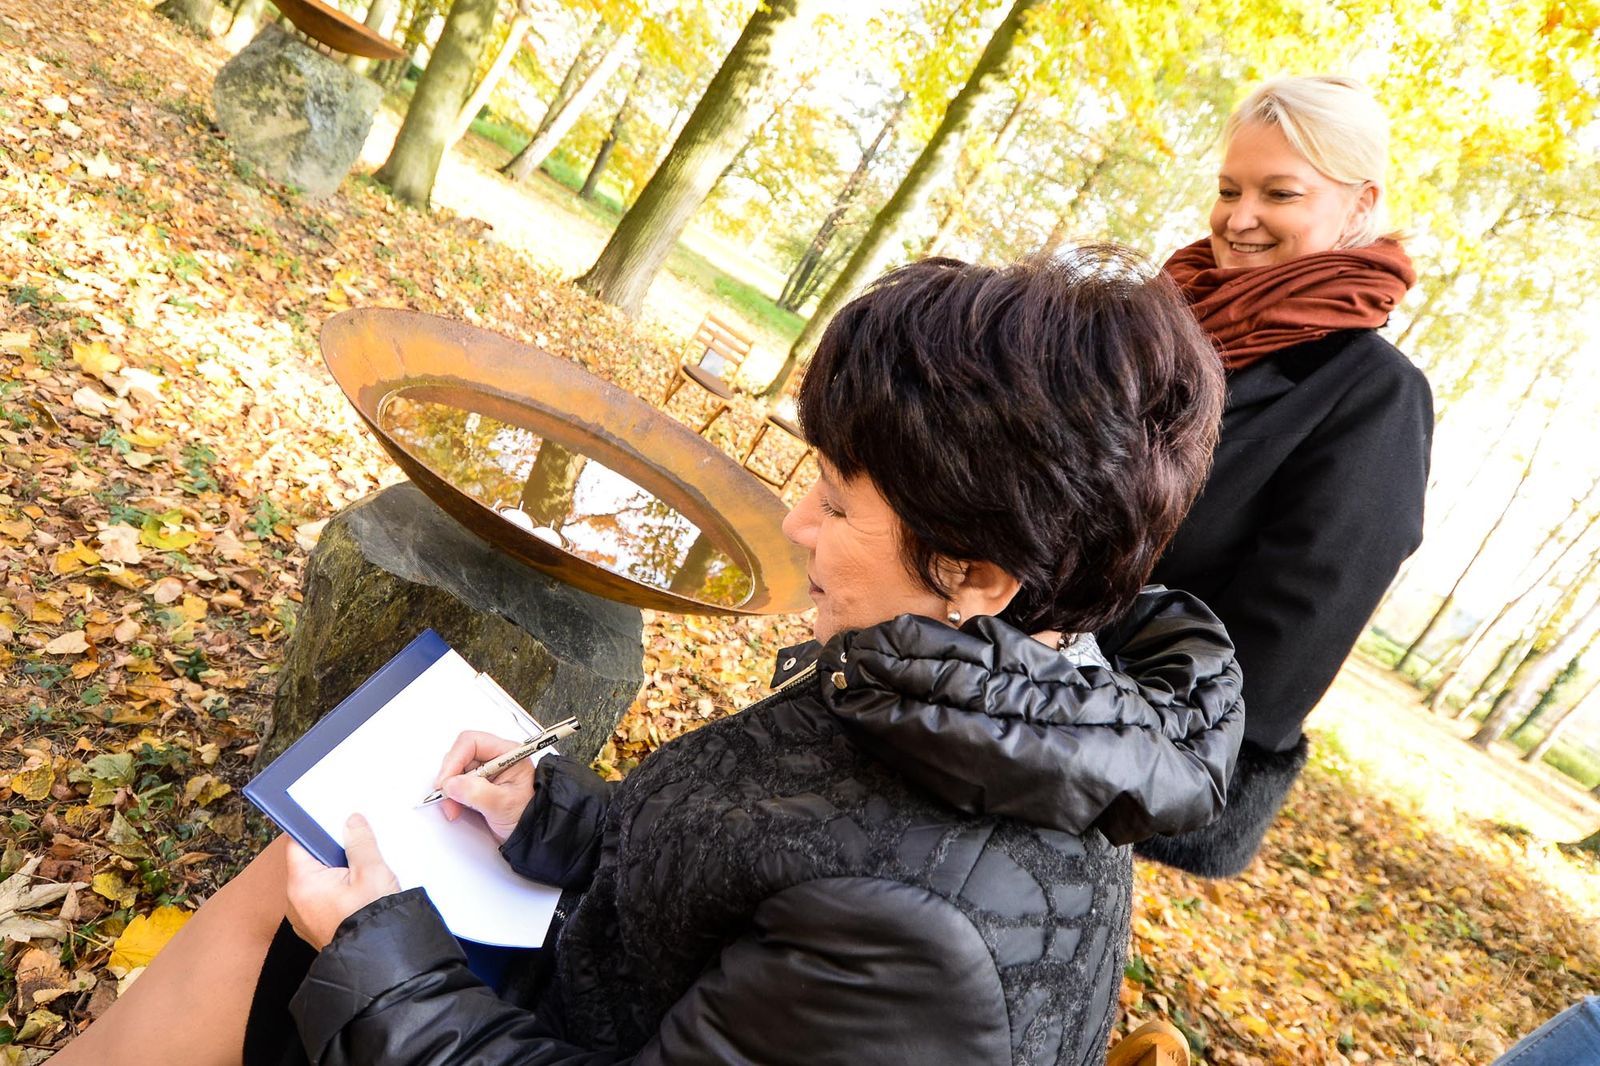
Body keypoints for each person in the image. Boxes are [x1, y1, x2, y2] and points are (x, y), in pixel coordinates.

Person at [58, 250, 1243, 1066]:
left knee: (291, 918)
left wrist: (386, 961)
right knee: (299, 866)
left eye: (838, 503)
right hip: (597, 999)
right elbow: (750, 868)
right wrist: (553, 815)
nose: (796, 523)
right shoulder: (975, 692)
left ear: (977, 572)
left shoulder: (921, 932)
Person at [1125, 75, 1434, 878]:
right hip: (967, 661)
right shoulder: (1149, 324)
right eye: (1229, 189)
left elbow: (1307, 606)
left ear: (1360, 206)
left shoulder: (1372, 391)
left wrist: (1152, 761)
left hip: (1100, 737)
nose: (1239, 217)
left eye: (1280, 193)